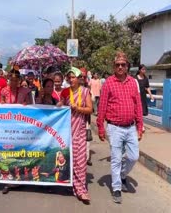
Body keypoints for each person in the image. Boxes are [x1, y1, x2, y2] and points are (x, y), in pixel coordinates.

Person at [96, 51, 143, 204]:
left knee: (134, 156)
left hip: (130, 128)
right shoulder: (109, 82)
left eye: (123, 65)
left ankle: (122, 175)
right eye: (118, 65)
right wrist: (100, 128)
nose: (121, 67)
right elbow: (102, 106)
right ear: (114, 67)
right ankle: (116, 188)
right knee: (116, 158)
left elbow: (138, 105)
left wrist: (140, 125)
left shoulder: (132, 82)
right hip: (114, 127)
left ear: (127, 66)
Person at [58, 67, 93, 204]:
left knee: (80, 160)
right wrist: (60, 103)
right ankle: (70, 184)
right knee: (68, 159)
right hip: (66, 131)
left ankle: (81, 190)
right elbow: (60, 103)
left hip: (79, 130)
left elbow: (90, 109)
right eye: (69, 77)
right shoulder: (65, 92)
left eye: (73, 77)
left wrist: (78, 108)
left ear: (79, 79)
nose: (71, 79)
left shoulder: (85, 92)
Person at [0, 70, 32, 194]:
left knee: (20, 152)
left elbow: (32, 107)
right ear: (8, 79)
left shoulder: (26, 91)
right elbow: (0, 104)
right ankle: (7, 181)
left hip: (22, 127)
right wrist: (2, 104)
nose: (13, 82)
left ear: (19, 80)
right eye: (11, 80)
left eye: (16, 80)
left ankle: (20, 179)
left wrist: (27, 104)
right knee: (8, 152)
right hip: (7, 127)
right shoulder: (4, 90)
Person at [135, 64, 154, 132]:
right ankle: (138, 124)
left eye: (145, 69)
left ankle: (141, 125)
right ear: (139, 70)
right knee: (136, 111)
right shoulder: (135, 78)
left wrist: (151, 95)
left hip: (143, 97)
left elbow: (147, 87)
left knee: (141, 111)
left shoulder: (145, 78)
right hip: (135, 96)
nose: (144, 70)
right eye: (143, 69)